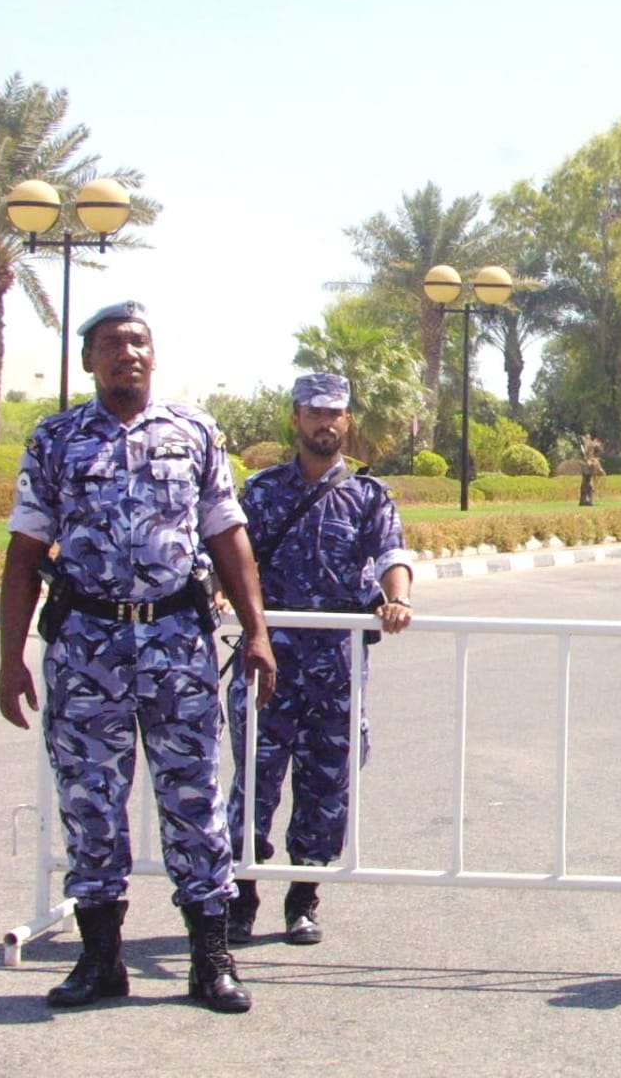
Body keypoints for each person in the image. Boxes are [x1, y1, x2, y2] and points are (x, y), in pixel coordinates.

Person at [0, 300, 276, 1015]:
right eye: (114, 343)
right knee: (90, 804)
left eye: (140, 341)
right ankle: (100, 960)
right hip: (86, 649)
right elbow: (26, 552)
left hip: (176, 646)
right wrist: (9, 659)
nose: (129, 352)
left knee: (193, 802)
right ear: (88, 359)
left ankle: (208, 962)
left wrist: (257, 631)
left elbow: (227, 536)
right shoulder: (56, 440)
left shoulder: (194, 433)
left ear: (154, 355)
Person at [226, 372, 414, 946]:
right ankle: (243, 895)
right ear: (295, 419)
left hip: (334, 665)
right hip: (267, 658)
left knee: (326, 784)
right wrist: (218, 590)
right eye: (313, 412)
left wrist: (399, 597)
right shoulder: (260, 491)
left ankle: (303, 898)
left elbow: (391, 552)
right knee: (254, 778)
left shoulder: (368, 494)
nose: (324, 423)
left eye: (334, 414)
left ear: (347, 421)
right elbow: (233, 556)